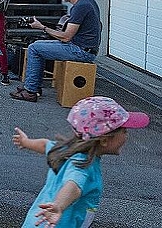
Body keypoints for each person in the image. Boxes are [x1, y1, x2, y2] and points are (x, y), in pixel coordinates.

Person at [12, 96, 150, 227]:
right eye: (124, 131)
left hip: (38, 220)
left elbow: (45, 145)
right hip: (53, 223)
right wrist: (59, 205)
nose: (127, 136)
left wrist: (26, 142)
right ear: (104, 140)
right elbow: (73, 186)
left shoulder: (67, 149)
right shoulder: (83, 165)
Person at [11, 0, 101, 102]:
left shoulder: (79, 7)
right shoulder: (89, 1)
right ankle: (33, 86)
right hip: (85, 47)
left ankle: (31, 91)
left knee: (34, 48)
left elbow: (66, 37)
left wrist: (42, 27)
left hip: (81, 51)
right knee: (38, 45)